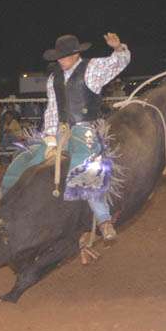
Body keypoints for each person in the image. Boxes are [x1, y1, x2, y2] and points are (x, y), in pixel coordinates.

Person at [42, 32, 130, 241]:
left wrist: (118, 49)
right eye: (58, 56)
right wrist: (49, 138)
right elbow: (53, 109)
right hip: (61, 130)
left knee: (86, 166)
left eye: (63, 56)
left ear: (75, 54)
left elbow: (117, 63)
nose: (60, 60)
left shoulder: (91, 69)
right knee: (35, 161)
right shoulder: (54, 78)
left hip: (86, 129)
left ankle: (103, 219)